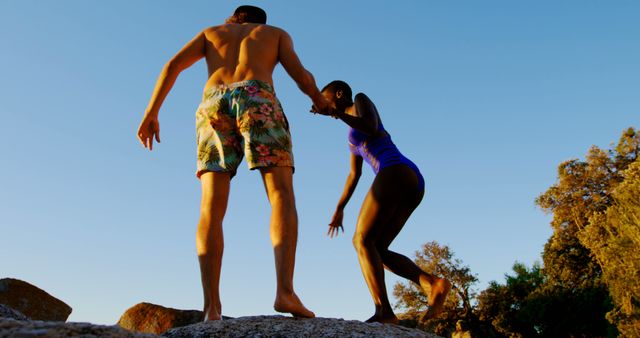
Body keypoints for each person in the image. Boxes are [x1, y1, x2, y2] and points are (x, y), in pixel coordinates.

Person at [137, 5, 330, 321]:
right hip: (258, 98)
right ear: (260, 22)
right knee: (280, 194)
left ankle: (211, 306)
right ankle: (285, 292)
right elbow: (302, 76)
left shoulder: (212, 33)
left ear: (234, 19)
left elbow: (172, 64)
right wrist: (319, 101)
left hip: (213, 102)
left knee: (211, 206)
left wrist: (152, 111)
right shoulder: (275, 34)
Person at [317, 80, 451, 324]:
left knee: (361, 240)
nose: (324, 106)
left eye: (326, 100)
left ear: (338, 94)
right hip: (407, 182)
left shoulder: (359, 100)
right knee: (376, 249)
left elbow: (370, 125)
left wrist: (336, 112)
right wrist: (339, 209)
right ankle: (432, 283)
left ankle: (384, 312)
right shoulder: (350, 139)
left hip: (395, 170)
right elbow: (353, 175)